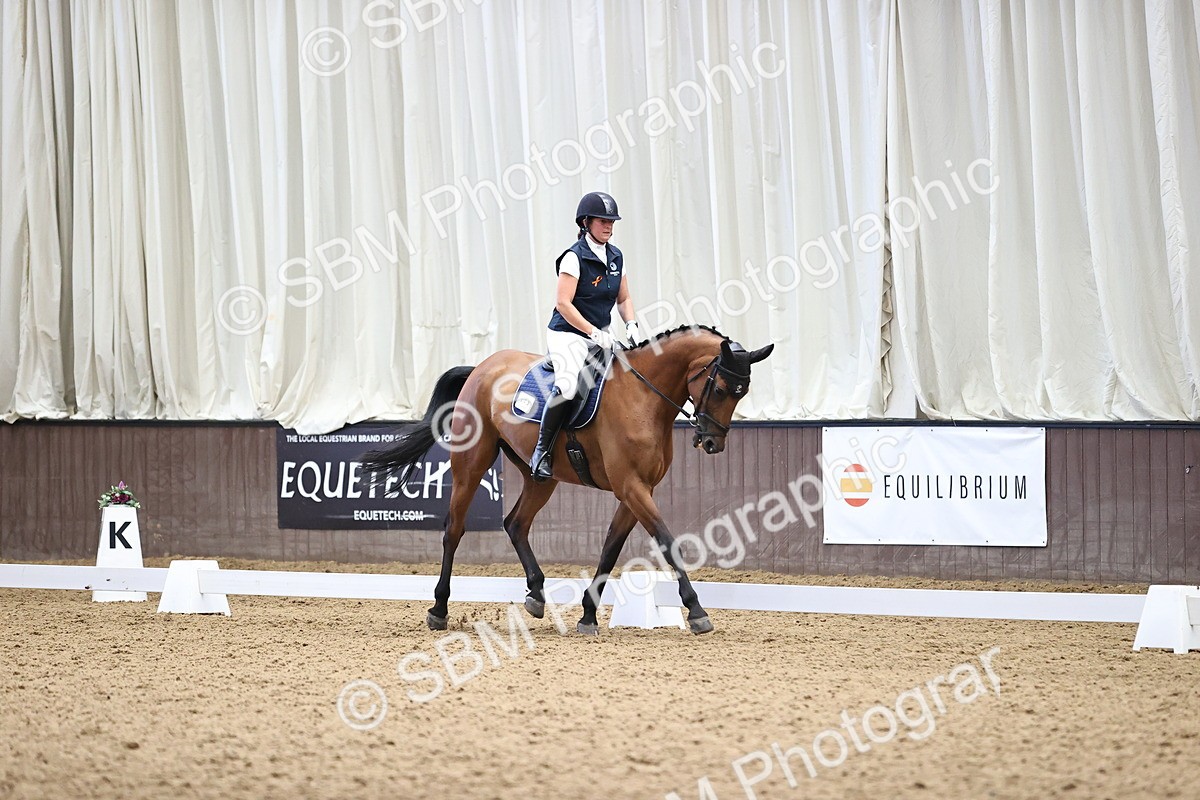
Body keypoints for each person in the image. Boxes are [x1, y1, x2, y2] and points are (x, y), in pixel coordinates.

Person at [529, 191, 641, 481]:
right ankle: (541, 451)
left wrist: (631, 324)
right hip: (568, 333)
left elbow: (624, 298)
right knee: (568, 386)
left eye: (611, 221)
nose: (609, 226)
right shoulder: (574, 257)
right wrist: (592, 332)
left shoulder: (616, 256)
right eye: (603, 221)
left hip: (601, 333)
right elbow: (563, 304)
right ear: (585, 222)